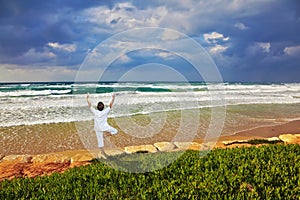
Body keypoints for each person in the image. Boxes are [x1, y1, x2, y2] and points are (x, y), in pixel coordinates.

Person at [87, 93, 118, 158]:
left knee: (100, 141)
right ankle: (105, 135)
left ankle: (102, 152)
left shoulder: (95, 112)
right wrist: (113, 97)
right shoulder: (105, 111)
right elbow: (110, 105)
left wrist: (87, 98)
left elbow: (90, 105)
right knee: (115, 131)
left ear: (97, 107)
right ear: (103, 107)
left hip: (97, 128)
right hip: (104, 127)